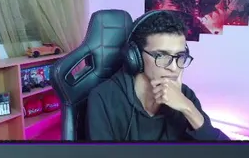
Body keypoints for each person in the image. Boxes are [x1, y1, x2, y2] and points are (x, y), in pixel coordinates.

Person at [85, 11, 228, 141]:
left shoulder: (185, 96)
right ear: (135, 57)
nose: (174, 68)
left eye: (180, 56)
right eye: (162, 55)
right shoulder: (103, 99)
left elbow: (225, 153)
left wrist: (188, 108)